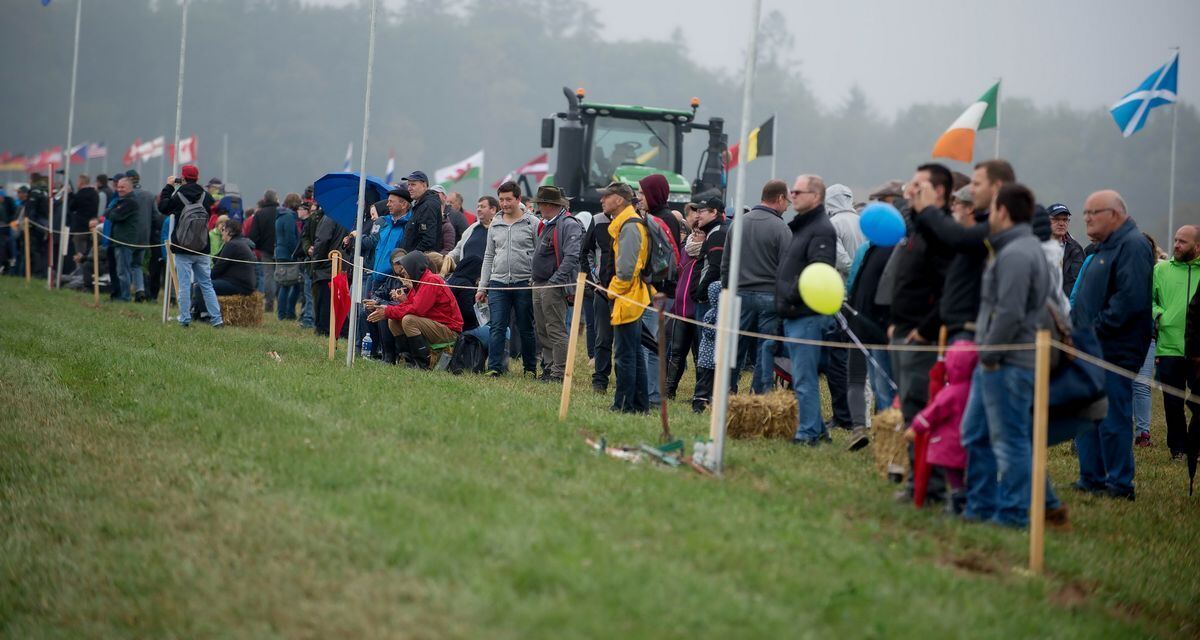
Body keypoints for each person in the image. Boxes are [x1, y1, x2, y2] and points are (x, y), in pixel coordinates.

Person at [958, 182, 1063, 527]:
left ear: (1002, 211)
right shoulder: (1015, 248)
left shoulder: (1018, 253)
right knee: (976, 433)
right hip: (997, 359)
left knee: (1009, 441)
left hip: (1007, 362)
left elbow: (1009, 312)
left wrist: (989, 353)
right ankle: (980, 505)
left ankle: (1015, 512)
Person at [1070, 190, 1154, 500]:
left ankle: (1119, 484)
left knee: (1112, 418)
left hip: (1113, 349)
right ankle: (1091, 477)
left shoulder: (1132, 246)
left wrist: (1092, 331)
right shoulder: (1104, 248)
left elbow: (1129, 301)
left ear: (1116, 214)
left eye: (1094, 212)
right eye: (1086, 213)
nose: (1087, 218)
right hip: (1090, 347)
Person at [776, 174, 838, 445]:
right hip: (795, 312)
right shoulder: (804, 227)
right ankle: (818, 429)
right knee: (802, 375)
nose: (792, 195)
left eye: (798, 191)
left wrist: (790, 294)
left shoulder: (821, 229)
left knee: (804, 377)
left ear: (816, 196)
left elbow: (819, 270)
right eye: (792, 190)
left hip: (806, 314)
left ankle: (808, 433)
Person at [721, 179, 793, 394]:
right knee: (766, 347)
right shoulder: (781, 228)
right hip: (769, 296)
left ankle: (727, 390)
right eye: (787, 201)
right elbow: (787, 268)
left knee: (735, 346)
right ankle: (759, 394)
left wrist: (727, 291)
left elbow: (726, 263)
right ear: (779, 198)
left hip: (739, 294)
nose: (788, 206)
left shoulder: (738, 224)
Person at [906, 341, 977, 510]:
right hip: (968, 440)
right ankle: (965, 496)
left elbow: (933, 412)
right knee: (966, 471)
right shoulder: (974, 390)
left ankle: (957, 498)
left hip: (949, 443)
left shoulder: (951, 392)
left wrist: (915, 427)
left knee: (953, 474)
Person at [476, 181, 537, 376]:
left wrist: (534, 278)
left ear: (518, 199)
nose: (504, 204)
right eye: (501, 200)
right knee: (497, 327)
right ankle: (495, 367)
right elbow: (488, 255)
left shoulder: (532, 223)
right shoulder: (495, 223)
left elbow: (538, 254)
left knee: (526, 328)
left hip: (523, 282)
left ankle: (530, 368)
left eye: (508, 199)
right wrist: (482, 287)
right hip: (498, 283)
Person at [367, 251, 463, 369]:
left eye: (405, 268)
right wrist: (388, 310)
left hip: (450, 331)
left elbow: (417, 309)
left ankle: (422, 364)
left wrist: (387, 311)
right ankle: (409, 361)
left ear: (413, 267)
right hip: (435, 325)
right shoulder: (420, 281)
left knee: (409, 320)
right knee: (393, 320)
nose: (403, 271)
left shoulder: (431, 280)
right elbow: (409, 304)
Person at [603, 181, 652, 413]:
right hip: (632, 295)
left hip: (628, 296)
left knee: (624, 355)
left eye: (607, 196)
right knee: (633, 352)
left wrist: (612, 291)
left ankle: (623, 405)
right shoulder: (626, 223)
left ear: (620, 200)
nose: (602, 200)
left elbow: (625, 270)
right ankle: (640, 405)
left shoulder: (630, 226)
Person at [1152, 225, 1200, 459]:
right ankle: (1178, 448)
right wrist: (1160, 315)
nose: (1176, 246)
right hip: (1168, 346)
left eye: (1183, 242)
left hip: (1198, 349)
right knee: (1172, 402)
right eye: (1175, 240)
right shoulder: (1161, 270)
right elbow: (1148, 301)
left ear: (1197, 246)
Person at [158, 164, 222, 328]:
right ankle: (217, 319)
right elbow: (214, 204)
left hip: (183, 246)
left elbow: (163, 207)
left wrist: (169, 186)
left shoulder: (178, 195)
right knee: (206, 285)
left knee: (184, 286)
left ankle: (185, 319)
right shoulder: (205, 195)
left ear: (183, 177)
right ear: (197, 177)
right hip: (202, 246)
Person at [530, 186, 583, 383]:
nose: (538, 207)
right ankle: (549, 368)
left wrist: (554, 282)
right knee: (543, 329)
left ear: (548, 205)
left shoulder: (568, 224)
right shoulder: (547, 224)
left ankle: (559, 372)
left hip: (552, 286)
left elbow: (572, 257)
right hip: (540, 283)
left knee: (555, 329)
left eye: (540, 203)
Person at [821, 183, 863, 432]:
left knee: (839, 355)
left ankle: (844, 412)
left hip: (841, 292)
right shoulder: (861, 221)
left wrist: (851, 271)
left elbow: (841, 259)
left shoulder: (834, 224)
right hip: (863, 294)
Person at [638, 174, 682, 406]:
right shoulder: (655, 217)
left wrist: (656, 284)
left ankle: (651, 396)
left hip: (659, 291)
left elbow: (666, 260)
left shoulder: (662, 219)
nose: (639, 198)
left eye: (643, 193)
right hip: (655, 289)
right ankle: (650, 394)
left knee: (650, 345)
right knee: (650, 344)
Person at [581, 195, 617, 393]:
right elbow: (585, 251)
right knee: (602, 338)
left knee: (625, 339)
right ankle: (600, 380)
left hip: (627, 292)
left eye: (607, 197)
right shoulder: (597, 220)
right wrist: (593, 281)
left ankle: (625, 379)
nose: (602, 200)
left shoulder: (635, 220)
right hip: (602, 289)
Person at [447, 196, 497, 340]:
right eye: (478, 206)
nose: (479, 209)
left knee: (486, 318)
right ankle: (466, 344)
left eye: (483, 206)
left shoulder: (498, 229)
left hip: (487, 282)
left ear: (493, 210)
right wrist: (448, 258)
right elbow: (458, 249)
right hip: (466, 282)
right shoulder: (472, 228)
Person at [197, 219, 256, 319]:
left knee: (199, 286)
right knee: (201, 283)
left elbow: (218, 269)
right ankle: (195, 312)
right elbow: (218, 260)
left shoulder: (232, 245)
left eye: (223, 229)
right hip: (244, 283)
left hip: (239, 285)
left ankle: (204, 316)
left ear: (229, 232)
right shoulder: (238, 243)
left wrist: (204, 279)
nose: (221, 232)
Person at [107, 176, 141, 302]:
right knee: (120, 270)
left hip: (124, 241)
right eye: (118, 187)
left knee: (123, 271)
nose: (119, 189)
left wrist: (112, 211)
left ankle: (125, 297)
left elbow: (114, 216)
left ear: (130, 188)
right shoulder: (121, 201)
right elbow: (109, 213)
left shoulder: (130, 202)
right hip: (118, 240)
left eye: (122, 187)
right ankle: (119, 295)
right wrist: (112, 211)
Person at [247, 190, 280, 313]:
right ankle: (282, 305)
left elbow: (253, 236)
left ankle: (269, 304)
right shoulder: (281, 212)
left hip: (266, 250)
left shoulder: (260, 214)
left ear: (265, 199)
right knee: (281, 277)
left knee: (268, 276)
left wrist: (259, 246)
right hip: (280, 249)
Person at [125, 169, 156, 302]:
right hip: (144, 237)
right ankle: (140, 291)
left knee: (125, 265)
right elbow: (155, 216)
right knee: (137, 265)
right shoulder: (149, 195)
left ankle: (125, 292)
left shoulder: (128, 195)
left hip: (129, 236)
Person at [274, 193, 303, 321]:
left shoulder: (280, 216)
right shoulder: (289, 217)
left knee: (284, 284)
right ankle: (286, 313)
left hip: (280, 253)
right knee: (292, 285)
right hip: (288, 255)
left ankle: (284, 313)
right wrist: (296, 252)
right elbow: (290, 238)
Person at [1049, 203, 1085, 297]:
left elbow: (1078, 283)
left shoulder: (1076, 249)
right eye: (1056, 219)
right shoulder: (1038, 246)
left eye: (1065, 220)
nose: (1061, 223)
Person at [401, 171, 441, 253]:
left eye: (413, 184)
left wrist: (409, 257)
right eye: (408, 184)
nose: (409, 188)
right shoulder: (420, 205)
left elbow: (428, 240)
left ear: (424, 185)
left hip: (419, 262)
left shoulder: (428, 206)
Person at [67, 173, 98, 275]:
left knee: (79, 253)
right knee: (88, 253)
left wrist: (70, 194)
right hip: (91, 227)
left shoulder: (80, 194)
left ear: (80, 182)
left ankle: (81, 275)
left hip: (79, 228)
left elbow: (72, 207)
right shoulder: (95, 193)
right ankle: (87, 274)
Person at [295, 202, 316, 329]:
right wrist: (307, 248)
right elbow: (304, 239)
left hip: (313, 261)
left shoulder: (312, 222)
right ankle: (306, 316)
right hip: (307, 259)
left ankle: (309, 318)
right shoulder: (308, 223)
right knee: (306, 292)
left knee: (309, 292)